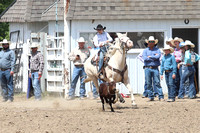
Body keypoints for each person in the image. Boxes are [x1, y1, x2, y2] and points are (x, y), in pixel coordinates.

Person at [142, 36, 164, 101]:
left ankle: (160, 96)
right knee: (148, 83)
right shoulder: (145, 50)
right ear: (148, 43)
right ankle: (151, 96)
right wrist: (153, 57)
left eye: (152, 42)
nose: (151, 43)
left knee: (157, 82)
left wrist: (150, 57)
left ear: (154, 43)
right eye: (150, 42)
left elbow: (158, 57)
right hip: (147, 68)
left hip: (155, 68)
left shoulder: (158, 50)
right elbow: (145, 58)